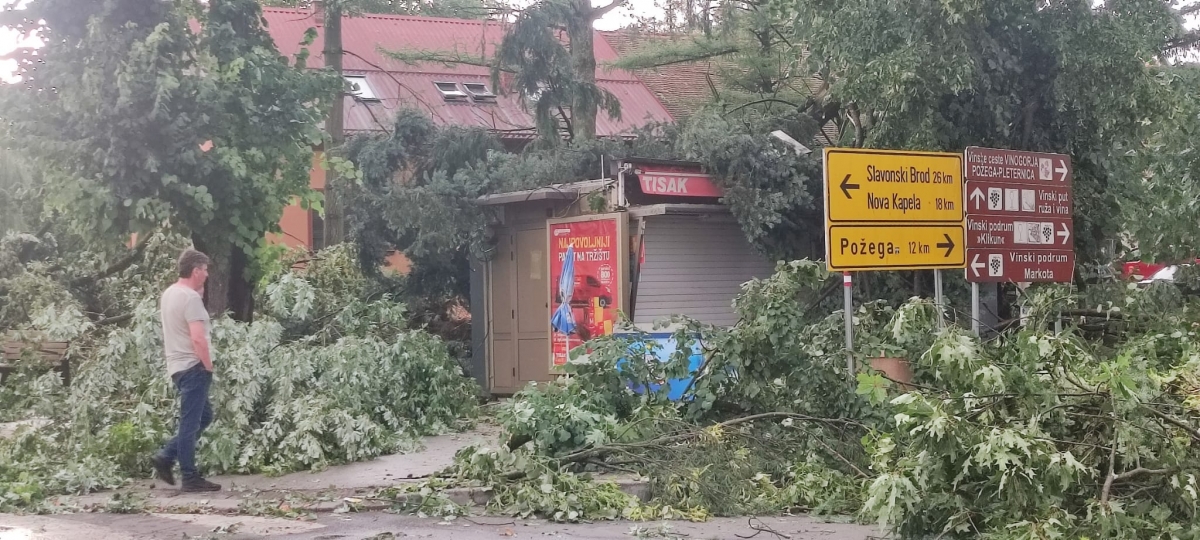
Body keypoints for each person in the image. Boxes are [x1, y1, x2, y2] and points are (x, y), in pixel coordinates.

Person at [149, 248, 221, 492]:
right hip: (193, 367)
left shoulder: (169, 293)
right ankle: (190, 477)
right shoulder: (190, 299)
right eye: (205, 270)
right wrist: (207, 366)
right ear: (195, 270)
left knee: (204, 417)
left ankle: (166, 456)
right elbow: (198, 338)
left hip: (176, 367)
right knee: (189, 425)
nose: (207, 275)